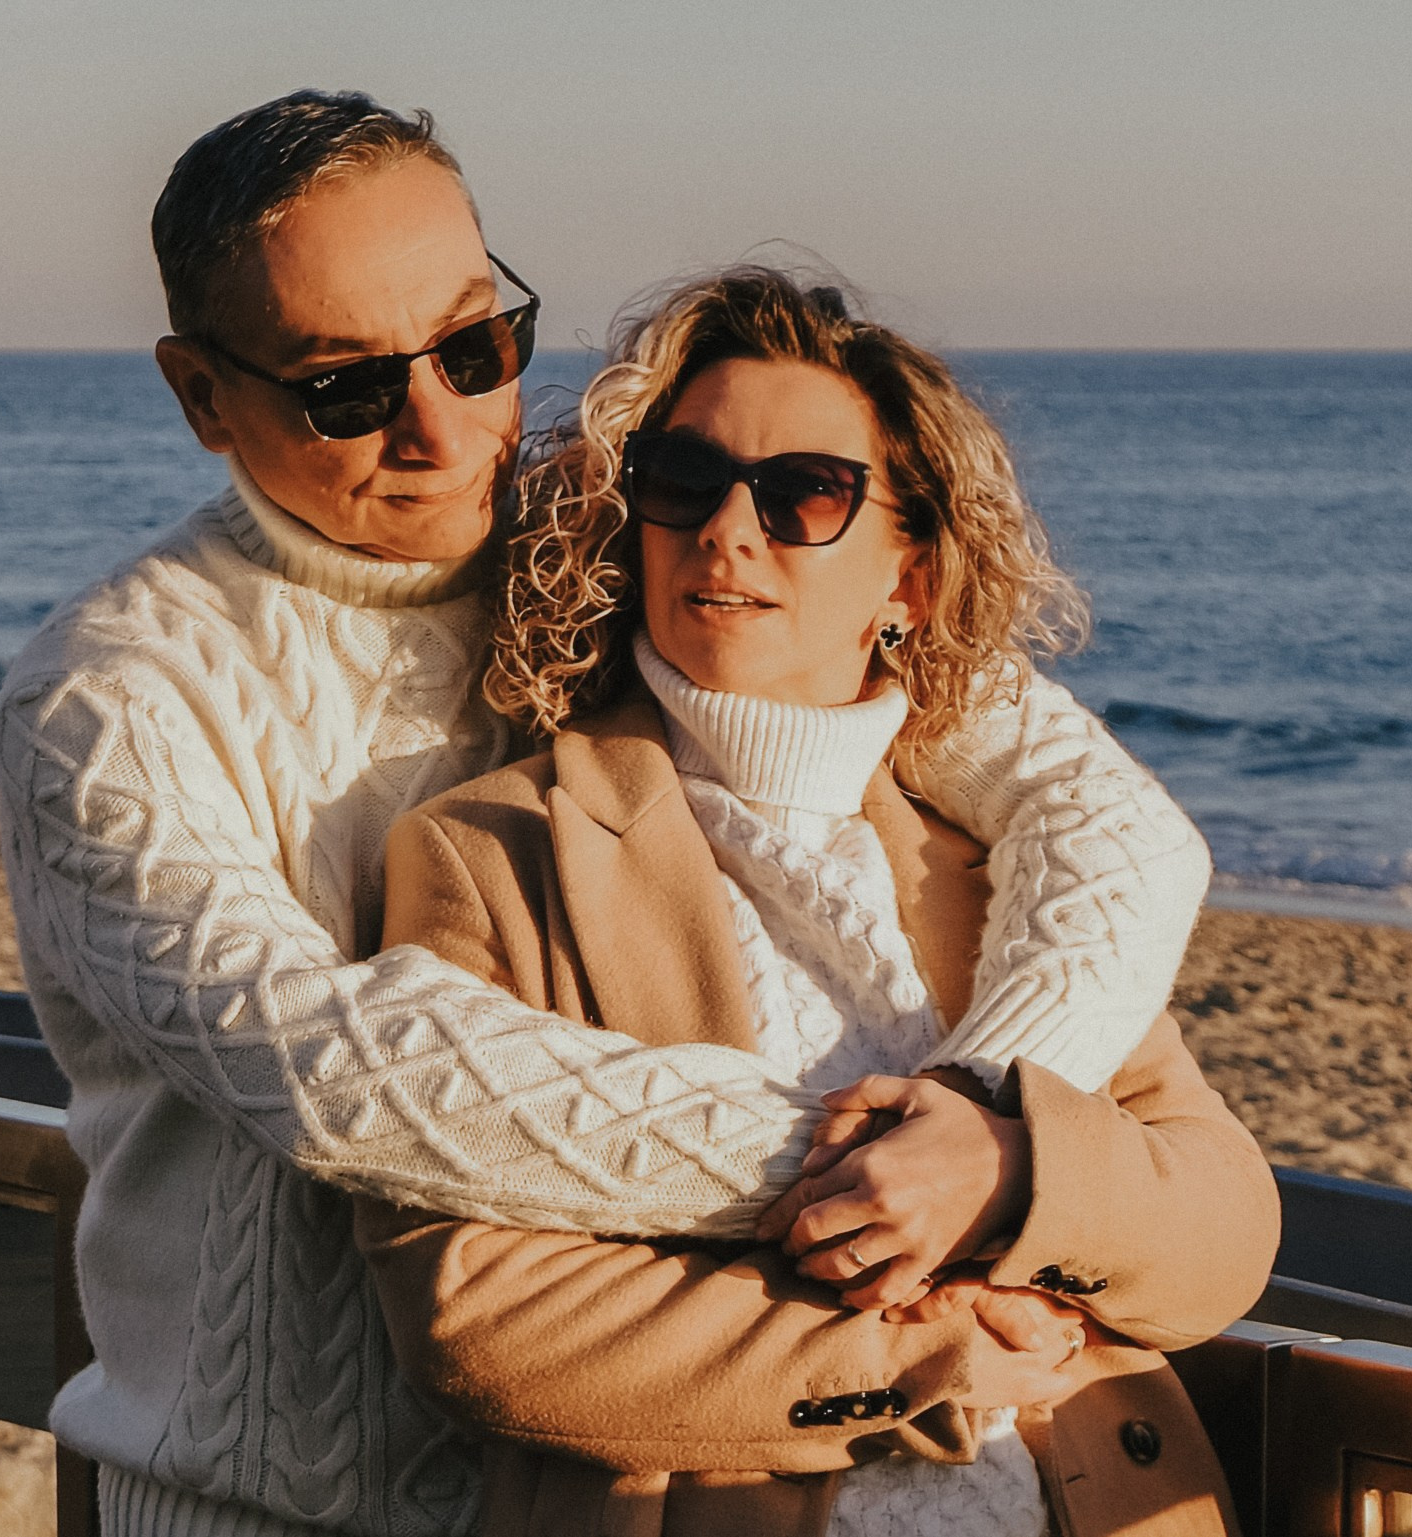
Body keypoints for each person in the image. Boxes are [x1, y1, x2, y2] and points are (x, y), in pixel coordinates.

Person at [0, 91, 1213, 1537]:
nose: (444, 433)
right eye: (348, 390)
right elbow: (342, 1075)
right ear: (202, 395)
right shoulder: (111, 698)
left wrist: (985, 1117)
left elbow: (1106, 817)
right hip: (252, 1510)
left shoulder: (627, 537)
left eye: (473, 345)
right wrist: (870, 1167)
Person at [355, 267, 1278, 1536]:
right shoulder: (495, 851)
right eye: (684, 482)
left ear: (910, 572)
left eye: (804, 493)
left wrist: (1006, 1169)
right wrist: (918, 1365)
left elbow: (1222, 1229)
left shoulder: (1014, 865)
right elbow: (475, 1313)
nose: (729, 530)